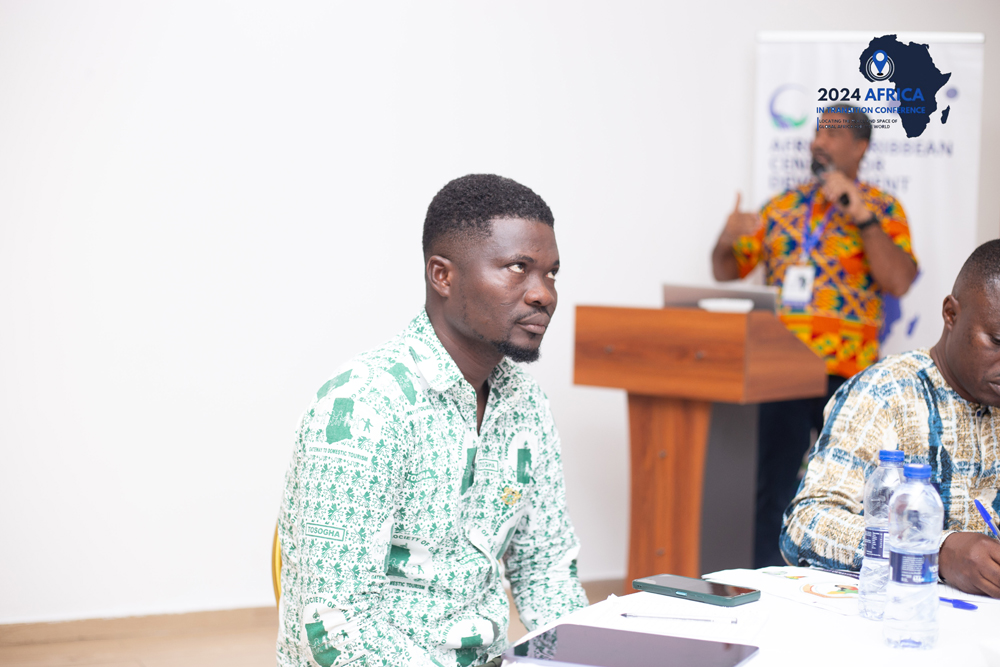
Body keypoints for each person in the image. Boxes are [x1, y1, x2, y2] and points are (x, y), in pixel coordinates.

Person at [276, 174, 588, 667]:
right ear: (442, 275)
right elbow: (334, 631)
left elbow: (545, 571)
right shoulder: (364, 408)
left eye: (551, 273)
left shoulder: (525, 405)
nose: (543, 294)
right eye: (518, 268)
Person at [711, 105, 919, 567]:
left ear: (860, 147)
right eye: (818, 132)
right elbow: (726, 270)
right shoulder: (781, 207)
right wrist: (725, 239)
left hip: (850, 375)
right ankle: (767, 582)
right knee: (774, 487)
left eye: (833, 133)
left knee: (850, 491)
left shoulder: (883, 209)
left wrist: (862, 216)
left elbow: (899, 280)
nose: (819, 142)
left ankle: (841, 581)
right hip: (783, 370)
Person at [781, 239, 1000, 596]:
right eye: (997, 341)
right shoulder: (884, 393)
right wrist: (934, 551)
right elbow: (804, 525)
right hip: (900, 615)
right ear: (951, 314)